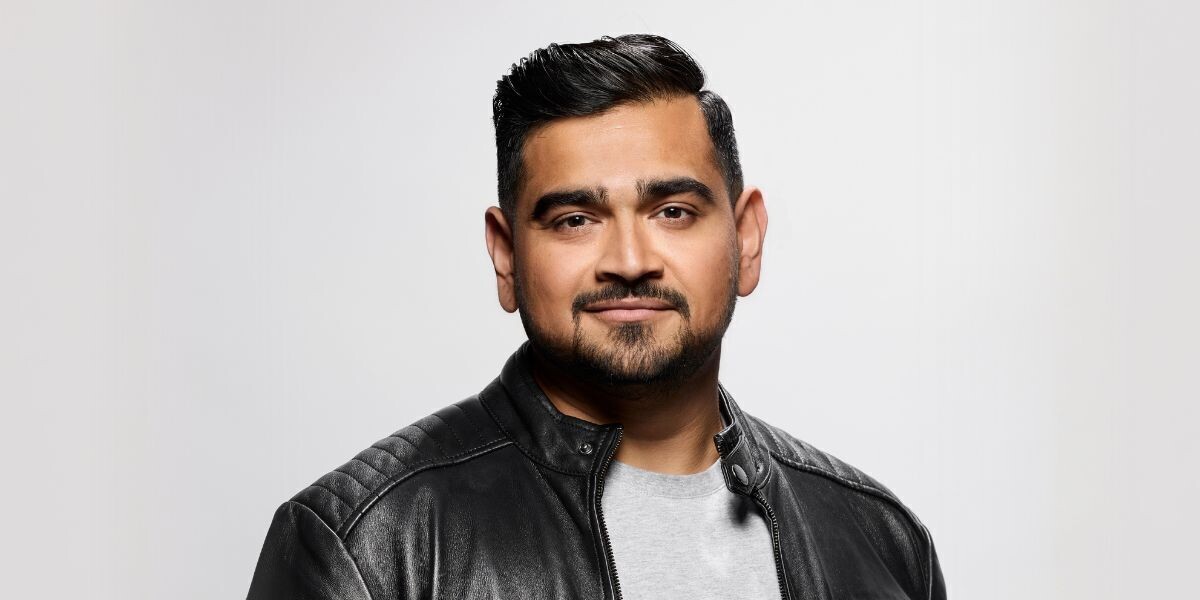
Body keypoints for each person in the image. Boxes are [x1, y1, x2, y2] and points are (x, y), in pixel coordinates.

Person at [246, 33, 946, 600]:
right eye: (575, 219)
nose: (631, 259)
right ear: (507, 255)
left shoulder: (879, 541)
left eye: (673, 211)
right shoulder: (363, 550)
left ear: (747, 239)